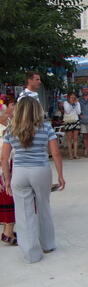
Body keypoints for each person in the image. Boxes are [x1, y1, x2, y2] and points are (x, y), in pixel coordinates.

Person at [1, 97, 65, 263]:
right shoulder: (46, 127)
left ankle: (31, 253)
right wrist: (60, 175)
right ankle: (48, 244)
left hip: (19, 172)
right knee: (43, 206)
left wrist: (7, 180)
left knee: (23, 213)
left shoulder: (11, 129)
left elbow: (4, 158)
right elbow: (56, 153)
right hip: (40, 170)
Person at [0, 97, 16, 246]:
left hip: (11, 166)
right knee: (8, 199)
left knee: (10, 200)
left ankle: (8, 229)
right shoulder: (3, 129)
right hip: (3, 170)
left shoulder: (10, 126)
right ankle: (7, 232)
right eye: (11, 106)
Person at [63, 92, 81, 159]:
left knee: (75, 138)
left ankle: (75, 154)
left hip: (75, 120)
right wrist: (72, 104)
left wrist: (75, 104)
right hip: (68, 121)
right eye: (71, 97)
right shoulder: (66, 103)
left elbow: (79, 112)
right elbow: (67, 111)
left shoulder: (77, 103)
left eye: (74, 97)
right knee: (69, 138)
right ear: (68, 97)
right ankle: (70, 155)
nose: (73, 98)